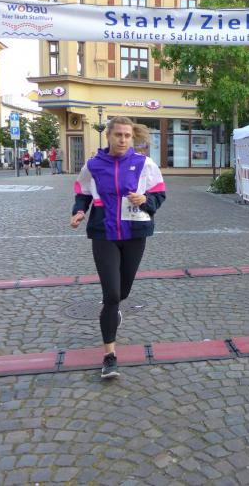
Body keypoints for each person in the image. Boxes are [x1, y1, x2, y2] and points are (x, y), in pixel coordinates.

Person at [70, 116, 166, 379]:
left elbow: (159, 193)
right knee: (111, 295)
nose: (122, 140)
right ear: (108, 136)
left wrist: (145, 199)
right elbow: (83, 192)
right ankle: (109, 356)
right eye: (118, 135)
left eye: (127, 135)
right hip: (104, 233)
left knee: (123, 291)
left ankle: (114, 310)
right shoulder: (93, 165)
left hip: (134, 233)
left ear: (131, 137)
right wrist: (79, 211)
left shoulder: (144, 164)